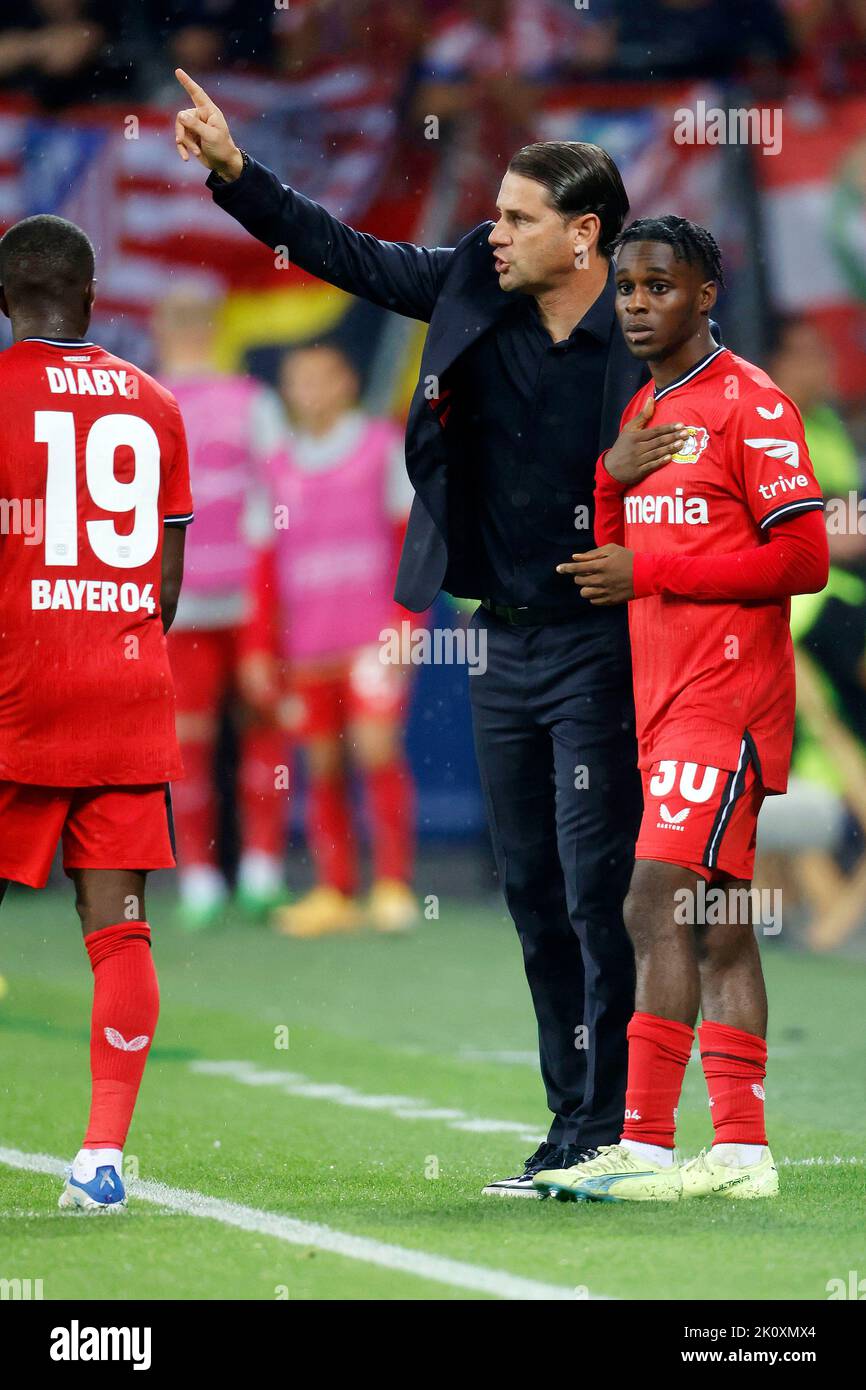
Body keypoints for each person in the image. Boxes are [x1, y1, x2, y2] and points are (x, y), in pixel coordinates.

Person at [173, 69, 657, 1195]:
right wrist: (240, 178)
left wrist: (656, 567)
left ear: (583, 237)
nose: (492, 232)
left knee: (595, 888)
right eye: (492, 211)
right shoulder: (466, 286)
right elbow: (342, 251)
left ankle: (623, 1120)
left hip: (604, 640)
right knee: (531, 889)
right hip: (500, 641)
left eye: (517, 218)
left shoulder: (646, 332)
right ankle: (572, 1124)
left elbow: (716, 469)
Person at [538, 215, 828, 1201]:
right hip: (665, 703)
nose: (633, 303)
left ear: (703, 293)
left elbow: (802, 557)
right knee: (716, 920)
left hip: (728, 700)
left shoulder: (753, 405)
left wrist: (647, 563)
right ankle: (742, 1153)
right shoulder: (643, 412)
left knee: (649, 898)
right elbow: (610, 569)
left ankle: (646, 1142)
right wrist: (603, 482)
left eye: (656, 286)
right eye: (623, 287)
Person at [0, 213, 193, 1210]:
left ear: (4, 302)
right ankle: (102, 1157)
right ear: (89, 298)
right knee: (118, 929)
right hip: (123, 692)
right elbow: (164, 588)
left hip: (16, 695)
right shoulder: (156, 403)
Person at [252, 343, 418, 938]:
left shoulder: (380, 447)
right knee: (320, 761)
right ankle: (335, 888)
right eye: (300, 382)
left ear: (347, 383)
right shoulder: (275, 466)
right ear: (288, 392)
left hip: (372, 636)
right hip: (306, 646)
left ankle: (394, 885)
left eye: (324, 379)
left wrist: (405, 627)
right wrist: (258, 649)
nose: (313, 392)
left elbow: (408, 545)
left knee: (374, 748)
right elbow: (264, 568)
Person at [153, 287, 286, 927]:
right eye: (180, 320)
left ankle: (259, 869)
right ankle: (203, 878)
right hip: (179, 602)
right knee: (189, 743)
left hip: (247, 597)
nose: (189, 330)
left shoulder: (252, 403)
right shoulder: (141, 400)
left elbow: (280, 499)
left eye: (194, 320)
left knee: (262, 723)